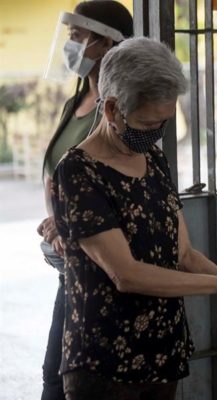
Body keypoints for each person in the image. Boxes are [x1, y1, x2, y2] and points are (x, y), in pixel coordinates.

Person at [50, 37, 217, 400]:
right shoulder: (78, 172)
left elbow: (183, 254)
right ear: (110, 109)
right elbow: (126, 273)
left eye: (163, 122)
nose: (156, 133)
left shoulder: (153, 158)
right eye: (147, 122)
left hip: (162, 351)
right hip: (106, 362)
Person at [37, 3, 133, 399]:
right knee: (54, 376)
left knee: (66, 381)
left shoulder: (122, 111)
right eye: (72, 36)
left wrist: (69, 220)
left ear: (106, 42)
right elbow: (58, 174)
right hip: (70, 265)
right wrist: (54, 219)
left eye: (79, 37)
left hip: (103, 268)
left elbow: (126, 187)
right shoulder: (73, 105)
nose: (71, 45)